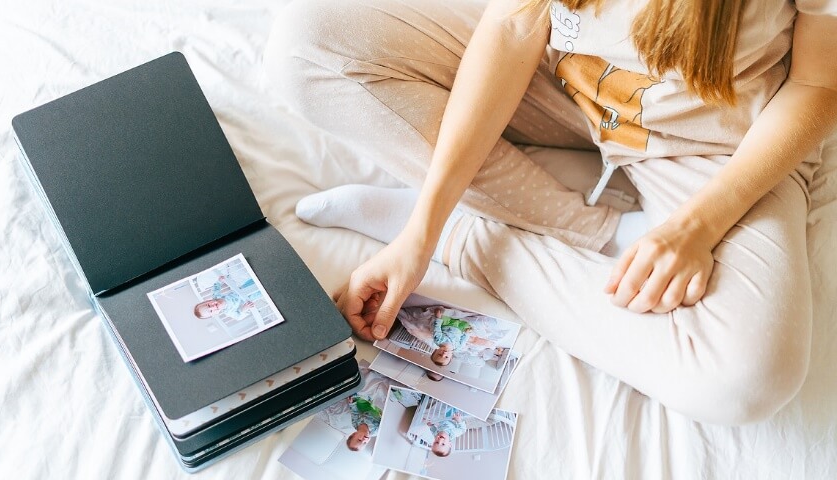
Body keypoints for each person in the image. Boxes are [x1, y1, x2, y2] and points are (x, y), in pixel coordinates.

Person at [264, 0, 837, 425]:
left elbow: (817, 82)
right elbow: (515, 23)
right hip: (563, 81)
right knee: (304, 46)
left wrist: (698, 224)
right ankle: (602, 233)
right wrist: (420, 230)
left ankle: (470, 238)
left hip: (716, 140)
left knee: (745, 379)